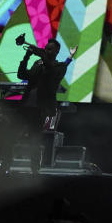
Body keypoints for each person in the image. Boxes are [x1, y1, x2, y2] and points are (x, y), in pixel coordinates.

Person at [13, 38, 75, 174]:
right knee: (12, 135)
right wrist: (26, 57)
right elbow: (22, 74)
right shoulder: (39, 63)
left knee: (34, 140)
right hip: (26, 105)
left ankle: (34, 170)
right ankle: (3, 165)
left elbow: (51, 72)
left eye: (50, 49)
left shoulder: (60, 67)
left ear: (57, 51)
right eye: (45, 48)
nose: (46, 50)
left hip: (39, 108)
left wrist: (42, 55)